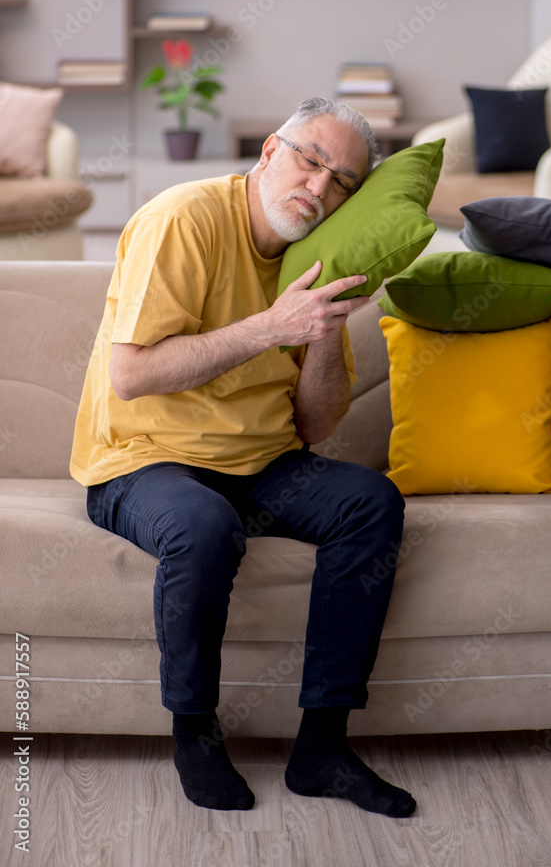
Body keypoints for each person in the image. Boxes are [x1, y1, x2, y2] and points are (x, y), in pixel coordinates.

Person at [70, 97, 416, 818]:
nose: (318, 187)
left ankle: (322, 746)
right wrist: (269, 327)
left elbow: (315, 428)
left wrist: (320, 327)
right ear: (268, 152)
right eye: (308, 160)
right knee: (202, 525)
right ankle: (195, 732)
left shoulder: (314, 255)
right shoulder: (185, 218)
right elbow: (130, 375)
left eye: (342, 181)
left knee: (370, 502)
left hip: (259, 462)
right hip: (142, 459)